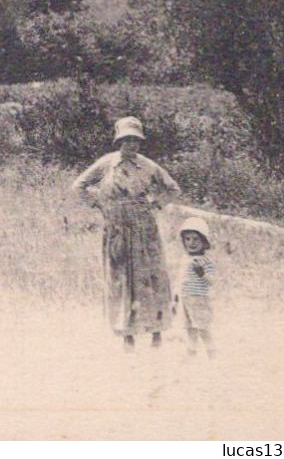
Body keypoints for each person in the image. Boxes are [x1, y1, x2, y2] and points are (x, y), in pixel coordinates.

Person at [71, 116, 182, 350]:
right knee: (121, 276)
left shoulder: (149, 166)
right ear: (118, 141)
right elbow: (79, 185)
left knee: (150, 276)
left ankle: (156, 332)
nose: (131, 145)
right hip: (117, 226)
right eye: (126, 140)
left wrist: (155, 203)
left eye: (135, 140)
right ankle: (126, 333)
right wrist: (99, 204)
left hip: (144, 227)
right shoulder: (106, 164)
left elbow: (173, 189)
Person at [175, 216, 218, 358]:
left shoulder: (206, 261)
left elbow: (211, 281)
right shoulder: (185, 259)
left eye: (195, 239)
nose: (191, 243)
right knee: (189, 327)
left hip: (199, 299)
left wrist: (202, 274)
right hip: (185, 298)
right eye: (187, 239)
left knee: (202, 327)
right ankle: (191, 351)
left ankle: (211, 351)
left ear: (204, 241)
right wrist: (176, 295)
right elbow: (181, 278)